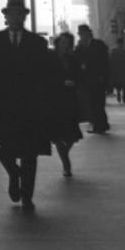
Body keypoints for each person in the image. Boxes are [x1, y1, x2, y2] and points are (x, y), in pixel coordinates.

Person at [0, 0, 53, 213]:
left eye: (19, 14)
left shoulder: (37, 43)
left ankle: (27, 195)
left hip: (30, 106)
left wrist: (44, 100)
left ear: (24, 17)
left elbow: (44, 74)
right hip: (3, 104)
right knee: (4, 151)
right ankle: (15, 174)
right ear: (6, 17)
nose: (15, 18)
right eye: (11, 14)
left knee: (29, 153)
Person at [47, 31, 84, 177]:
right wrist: (61, 83)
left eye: (67, 43)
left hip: (70, 99)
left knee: (72, 135)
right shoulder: (50, 58)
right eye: (62, 42)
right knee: (57, 134)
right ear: (57, 43)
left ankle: (64, 156)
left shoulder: (72, 59)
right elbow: (46, 77)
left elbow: (80, 76)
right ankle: (66, 164)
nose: (65, 45)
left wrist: (75, 83)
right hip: (54, 100)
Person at [76, 23, 110, 132]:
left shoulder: (98, 44)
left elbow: (104, 61)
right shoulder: (81, 46)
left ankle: (100, 125)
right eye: (80, 34)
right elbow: (77, 59)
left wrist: (103, 76)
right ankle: (100, 124)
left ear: (88, 33)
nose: (81, 36)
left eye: (82, 34)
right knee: (93, 103)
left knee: (98, 102)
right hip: (87, 80)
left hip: (98, 78)